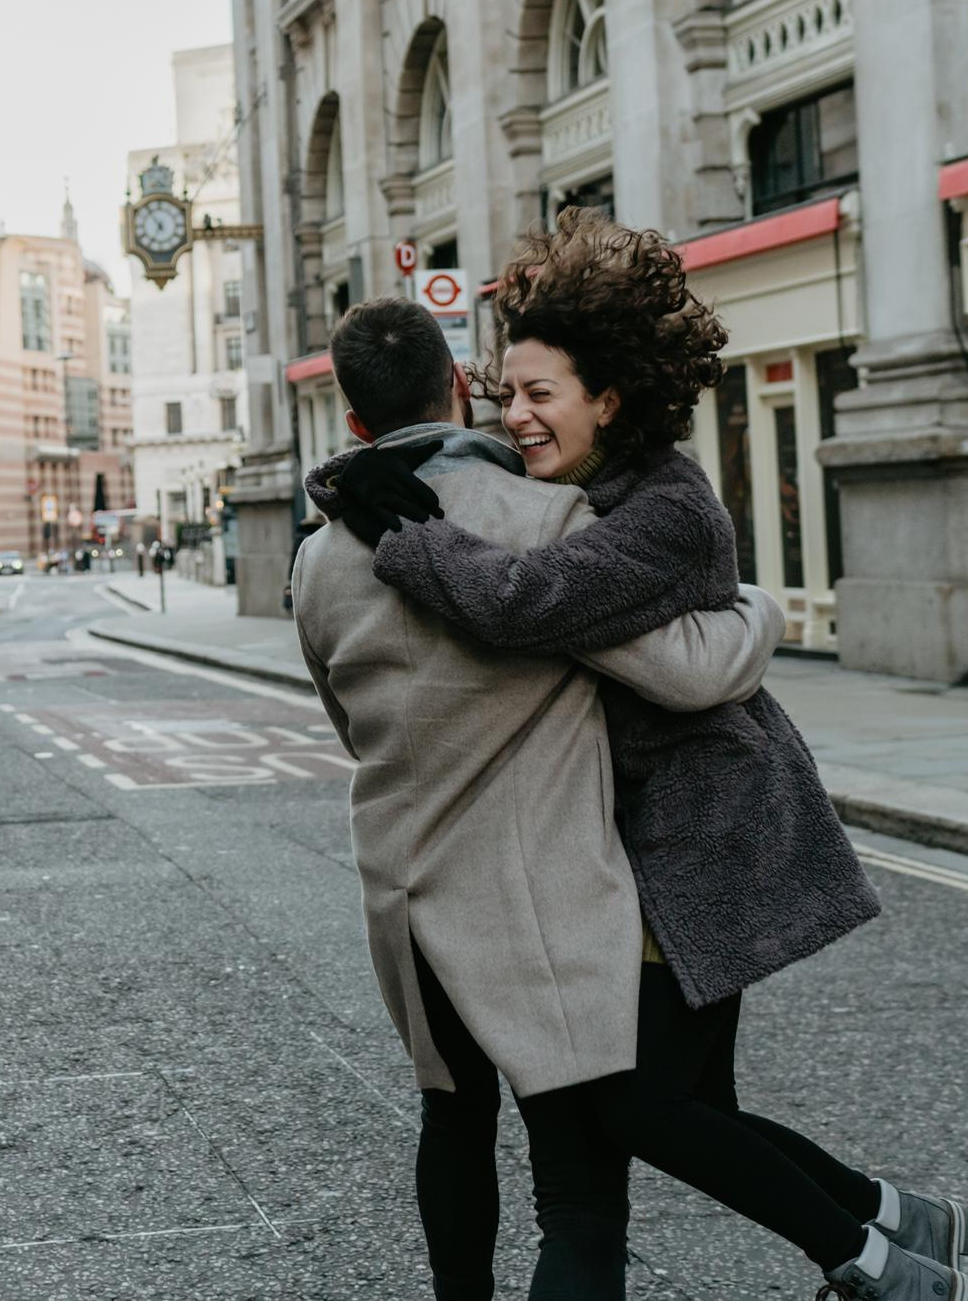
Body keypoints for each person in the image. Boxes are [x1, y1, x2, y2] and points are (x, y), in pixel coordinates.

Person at [318, 215, 968, 1301]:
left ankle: (873, 1264)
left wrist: (408, 535)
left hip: (696, 841)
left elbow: (564, 617)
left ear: (608, 399)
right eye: (505, 395)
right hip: (636, 837)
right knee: (683, 1111)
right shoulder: (577, 500)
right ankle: (900, 1224)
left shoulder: (651, 506)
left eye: (541, 397)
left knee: (638, 1109)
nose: (516, 418)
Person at [290, 296, 788, 1300]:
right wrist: (758, 609)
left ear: (351, 423)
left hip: (404, 885)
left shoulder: (315, 556)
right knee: (575, 1193)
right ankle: (867, 1234)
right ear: (460, 385)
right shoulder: (550, 521)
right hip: (537, 891)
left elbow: (348, 722)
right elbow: (683, 670)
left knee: (451, 1119)